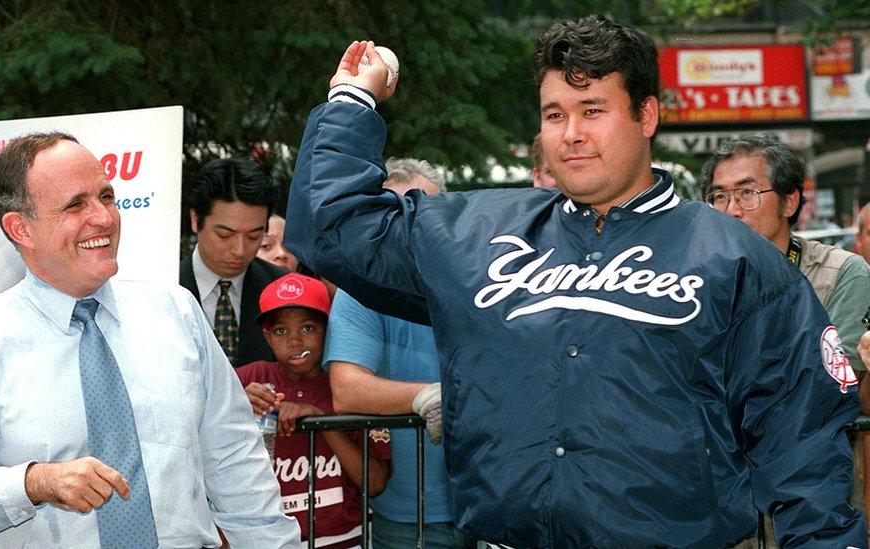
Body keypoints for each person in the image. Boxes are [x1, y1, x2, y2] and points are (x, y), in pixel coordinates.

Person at [283, 16, 866, 547]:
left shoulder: (736, 259)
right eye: (554, 114)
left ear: (647, 115)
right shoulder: (478, 238)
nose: (570, 134)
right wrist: (352, 101)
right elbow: (330, 231)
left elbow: (804, 445)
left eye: (592, 109)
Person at [0, 133, 299, 547]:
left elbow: (236, 463)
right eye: (76, 204)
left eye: (106, 197)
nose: (105, 218)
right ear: (21, 227)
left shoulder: (176, 314)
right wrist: (33, 482)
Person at [324, 159, 476, 548]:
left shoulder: (478, 279)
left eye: (422, 212)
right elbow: (347, 389)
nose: (409, 226)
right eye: (394, 214)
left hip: (494, 505)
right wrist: (426, 397)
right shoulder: (359, 290)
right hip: (410, 521)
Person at [237, 273, 389, 548]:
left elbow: (375, 483)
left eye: (307, 328)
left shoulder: (351, 386)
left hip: (343, 540)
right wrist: (234, 405)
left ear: (328, 329)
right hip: (267, 540)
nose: (294, 341)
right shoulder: (251, 378)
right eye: (281, 331)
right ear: (267, 336)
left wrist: (321, 422)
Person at [701, 134, 870, 379]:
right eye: (719, 197)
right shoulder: (695, 278)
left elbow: (843, 387)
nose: (731, 210)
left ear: (789, 202)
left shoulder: (839, 273)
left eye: (747, 192)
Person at [180, 157, 288, 367]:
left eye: (254, 236)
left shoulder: (285, 290)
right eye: (224, 235)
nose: (240, 250)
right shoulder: (162, 288)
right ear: (195, 220)